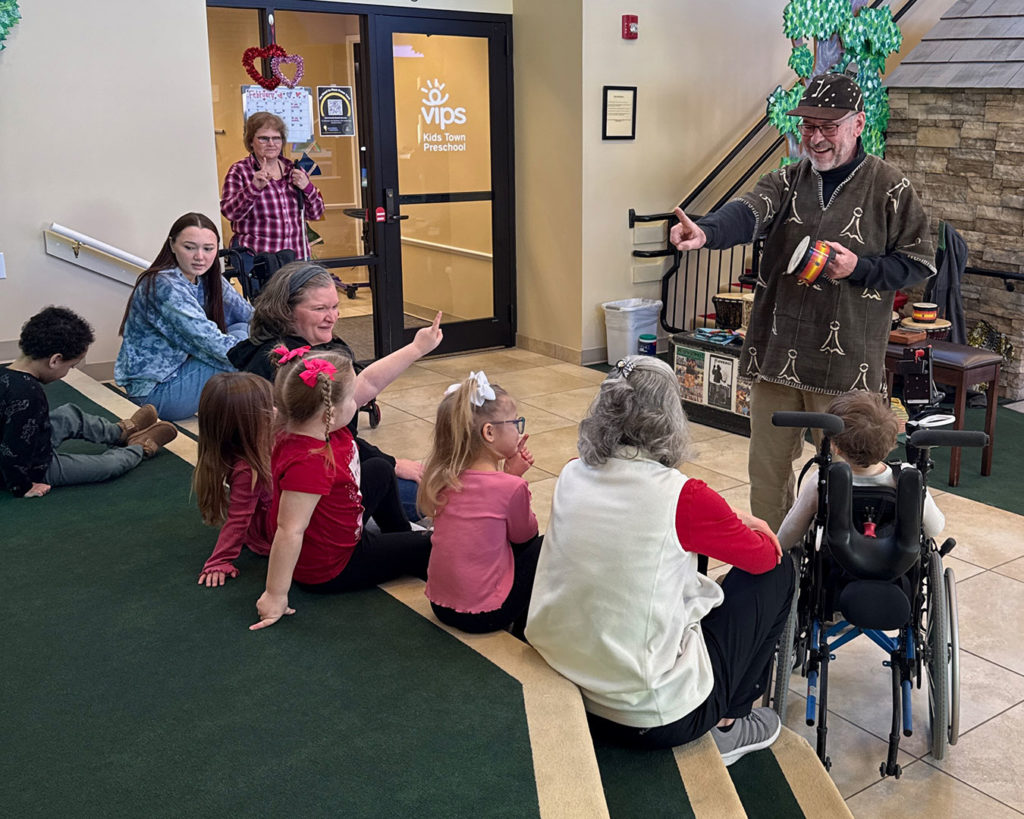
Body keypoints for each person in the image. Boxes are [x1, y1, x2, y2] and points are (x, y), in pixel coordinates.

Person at [670, 72, 937, 531]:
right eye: (808, 125)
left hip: (846, 363)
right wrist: (707, 230)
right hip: (776, 354)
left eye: (827, 126)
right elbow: (749, 211)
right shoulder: (785, 181)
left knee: (853, 474)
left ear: (858, 123)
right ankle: (775, 566)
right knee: (767, 474)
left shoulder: (891, 187)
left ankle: (842, 564)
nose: (815, 137)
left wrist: (861, 268)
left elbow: (918, 262)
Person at [525, 356, 793, 765]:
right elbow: (762, 558)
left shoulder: (571, 472)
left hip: (562, 680)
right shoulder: (684, 496)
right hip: (647, 716)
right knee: (780, 571)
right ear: (670, 416)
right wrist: (744, 520)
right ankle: (729, 724)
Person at [251, 313, 443, 631]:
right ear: (329, 412)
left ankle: (400, 535)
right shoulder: (309, 463)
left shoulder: (308, 424)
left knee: (380, 469)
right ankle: (411, 547)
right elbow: (289, 530)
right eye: (351, 398)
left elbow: (367, 381)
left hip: (340, 522)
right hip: (333, 566)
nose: (359, 400)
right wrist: (275, 594)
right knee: (431, 545)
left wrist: (417, 347)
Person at [229, 261, 425, 521]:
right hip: (301, 488)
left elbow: (359, 396)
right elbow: (325, 438)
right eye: (320, 309)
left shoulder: (307, 347)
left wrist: (417, 349)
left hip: (322, 467)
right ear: (286, 312)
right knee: (427, 496)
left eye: (335, 306)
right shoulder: (287, 364)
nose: (332, 317)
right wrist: (392, 463)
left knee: (421, 483)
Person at [1, 307, 177, 499]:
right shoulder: (29, 395)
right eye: (71, 366)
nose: (68, 372)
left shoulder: (6, 373)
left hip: (29, 439)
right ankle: (138, 447)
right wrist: (22, 486)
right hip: (33, 467)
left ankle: (120, 432)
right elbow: (12, 451)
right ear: (55, 360)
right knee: (108, 466)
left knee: (69, 415)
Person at [418, 370, 540, 638]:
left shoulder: (443, 478)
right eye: (515, 423)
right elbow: (525, 535)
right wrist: (513, 478)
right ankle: (524, 631)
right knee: (542, 546)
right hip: (485, 616)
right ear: (489, 432)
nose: (519, 431)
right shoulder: (511, 487)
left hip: (439, 605)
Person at [115, 213, 253, 421]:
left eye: (208, 249)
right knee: (245, 352)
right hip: (154, 395)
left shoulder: (207, 279)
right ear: (172, 245)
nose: (200, 256)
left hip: (181, 373)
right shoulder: (164, 285)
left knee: (243, 328)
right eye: (189, 247)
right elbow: (210, 342)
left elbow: (250, 316)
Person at [776, 390, 944, 550]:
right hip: (895, 568)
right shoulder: (906, 477)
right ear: (892, 441)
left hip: (837, 565)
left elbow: (789, 534)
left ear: (835, 447)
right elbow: (934, 528)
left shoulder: (825, 480)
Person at [194, 372, 275, 587]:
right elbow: (239, 518)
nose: (275, 412)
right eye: (268, 409)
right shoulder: (248, 469)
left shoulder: (256, 443)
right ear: (250, 424)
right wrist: (219, 560)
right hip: (273, 533)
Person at [220, 112, 325, 259]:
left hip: (296, 256)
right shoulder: (240, 171)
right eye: (264, 138)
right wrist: (253, 188)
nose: (271, 144)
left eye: (276, 138)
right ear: (251, 141)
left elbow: (316, 213)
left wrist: (307, 187)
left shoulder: (293, 169)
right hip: (258, 257)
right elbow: (229, 212)